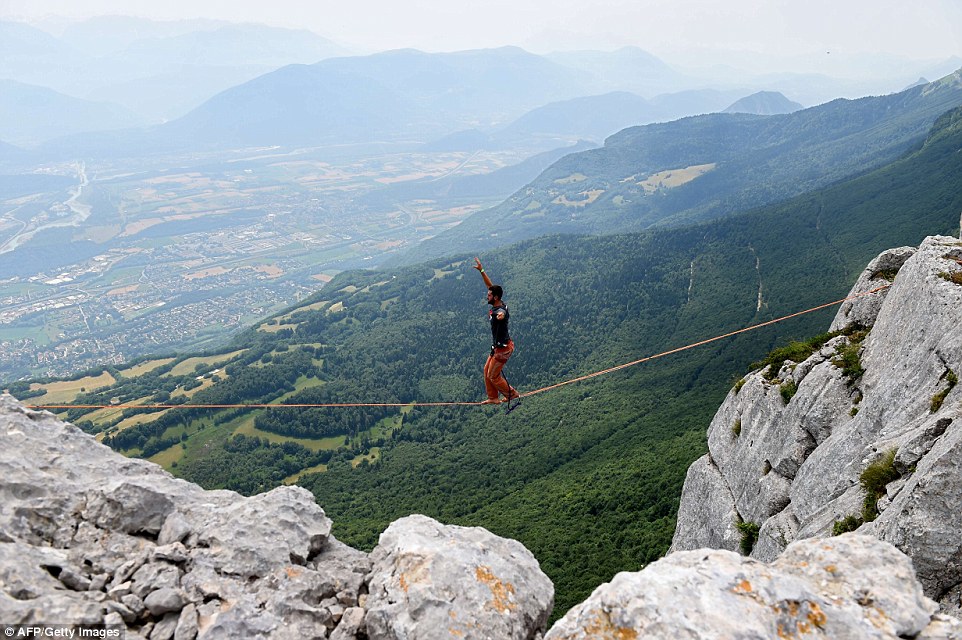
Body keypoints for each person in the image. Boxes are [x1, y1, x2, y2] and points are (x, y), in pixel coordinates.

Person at [473, 257, 519, 405]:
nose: (487, 296)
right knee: (487, 371)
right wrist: (482, 271)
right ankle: (493, 398)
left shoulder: (500, 310)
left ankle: (512, 394)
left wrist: (500, 316)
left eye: (489, 295)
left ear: (496, 297)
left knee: (493, 376)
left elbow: (502, 314)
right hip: (498, 348)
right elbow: (490, 285)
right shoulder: (498, 300)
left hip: (503, 349)